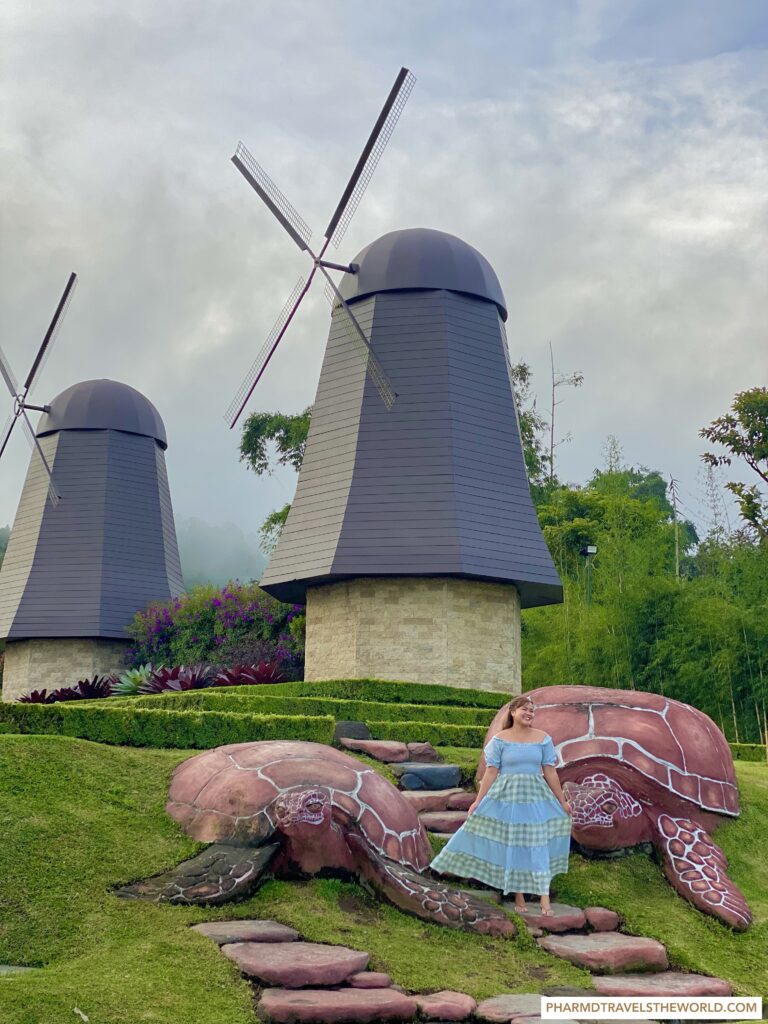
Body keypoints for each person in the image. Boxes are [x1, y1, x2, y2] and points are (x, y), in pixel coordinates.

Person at [430, 694, 572, 915]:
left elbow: (550, 772)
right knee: (514, 844)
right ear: (513, 712)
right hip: (506, 798)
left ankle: (545, 899)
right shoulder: (500, 739)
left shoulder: (543, 739)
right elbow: (491, 772)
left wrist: (562, 801)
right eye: (524, 709)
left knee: (538, 843)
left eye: (532, 711)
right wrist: (478, 801)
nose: (529, 713)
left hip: (536, 797)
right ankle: (519, 896)